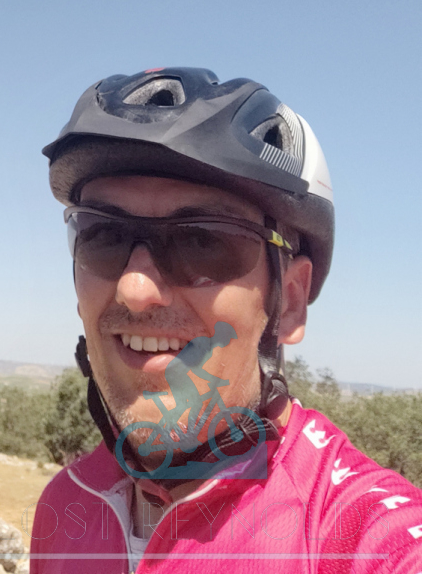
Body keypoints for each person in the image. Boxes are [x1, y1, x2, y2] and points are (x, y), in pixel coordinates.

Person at [30, 67, 422, 572]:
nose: (135, 289)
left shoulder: (354, 532)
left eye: (203, 242)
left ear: (289, 302)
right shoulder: (67, 503)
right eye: (103, 237)